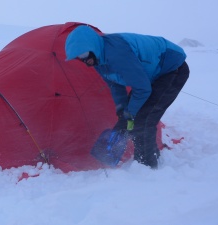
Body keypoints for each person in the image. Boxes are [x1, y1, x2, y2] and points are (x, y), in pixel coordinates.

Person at [65, 25, 189, 169]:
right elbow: (115, 85)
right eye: (80, 58)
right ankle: (148, 157)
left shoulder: (117, 54)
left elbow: (142, 89)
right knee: (128, 119)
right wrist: (122, 108)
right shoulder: (99, 60)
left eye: (85, 55)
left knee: (143, 119)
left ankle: (148, 167)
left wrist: (130, 112)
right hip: (152, 74)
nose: (85, 61)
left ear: (93, 46)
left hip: (172, 68)